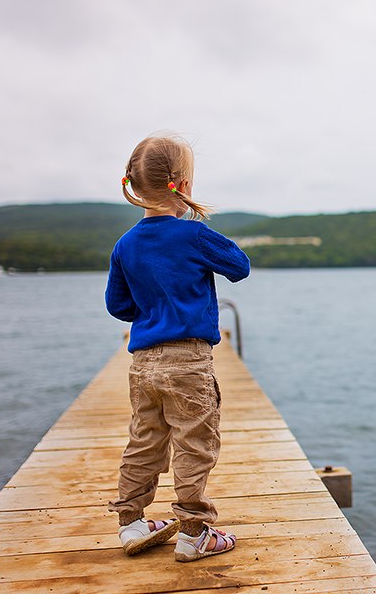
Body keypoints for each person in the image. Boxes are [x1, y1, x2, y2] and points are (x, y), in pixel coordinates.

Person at [104, 134, 250, 562]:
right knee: (195, 443)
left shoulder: (125, 244)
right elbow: (239, 267)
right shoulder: (192, 235)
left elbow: (118, 306)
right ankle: (193, 532)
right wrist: (195, 226)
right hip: (188, 361)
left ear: (133, 183)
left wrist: (152, 308)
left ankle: (130, 524)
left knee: (145, 441)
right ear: (183, 184)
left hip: (143, 362)